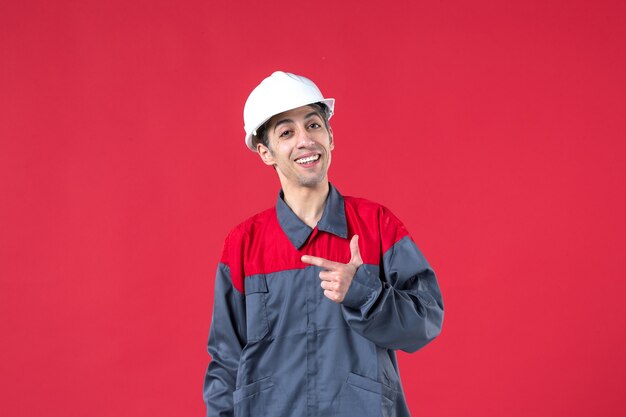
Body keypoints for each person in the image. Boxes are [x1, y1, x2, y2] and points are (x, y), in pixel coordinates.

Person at [203, 71, 444, 417]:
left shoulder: (377, 226)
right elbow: (226, 362)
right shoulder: (244, 245)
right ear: (265, 152)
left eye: (314, 125)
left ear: (331, 137)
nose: (305, 141)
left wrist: (365, 294)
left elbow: (427, 320)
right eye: (286, 132)